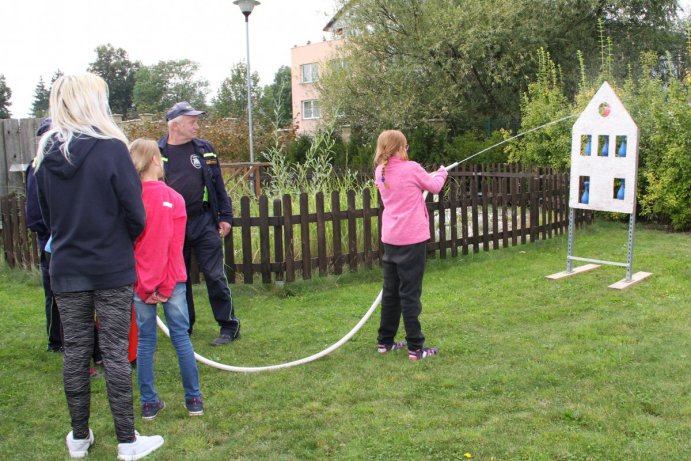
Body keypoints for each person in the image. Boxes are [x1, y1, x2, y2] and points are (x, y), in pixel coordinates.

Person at [34, 73, 164, 460]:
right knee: (113, 351)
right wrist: (117, 238)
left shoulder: (45, 153)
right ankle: (127, 441)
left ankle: (79, 437)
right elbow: (135, 212)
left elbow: (44, 216)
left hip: (68, 267)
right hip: (110, 267)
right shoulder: (110, 148)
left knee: (76, 351)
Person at [129, 139, 204, 420]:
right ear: (154, 162)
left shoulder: (129, 200)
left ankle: (149, 403)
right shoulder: (175, 199)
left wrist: (147, 286)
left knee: (146, 342)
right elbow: (175, 248)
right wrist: (166, 285)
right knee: (181, 339)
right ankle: (194, 400)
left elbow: (130, 248)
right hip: (172, 282)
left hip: (142, 285)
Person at [157, 101, 240, 346]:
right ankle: (184, 328)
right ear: (176, 124)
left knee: (215, 275)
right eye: (192, 121)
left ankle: (229, 326)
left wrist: (225, 217)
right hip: (172, 226)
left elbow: (218, 186)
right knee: (178, 279)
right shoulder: (157, 152)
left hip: (203, 221)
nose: (197, 125)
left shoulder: (205, 149)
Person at [373, 130, 448, 362]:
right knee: (410, 294)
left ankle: (385, 343)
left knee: (392, 293)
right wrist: (443, 172)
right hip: (411, 240)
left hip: (391, 239)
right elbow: (434, 187)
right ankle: (416, 348)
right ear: (400, 146)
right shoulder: (412, 167)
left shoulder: (380, 171)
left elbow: (418, 183)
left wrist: (431, 175)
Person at [26, 118, 62, 353]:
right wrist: (48, 231)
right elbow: (36, 208)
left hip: (64, 233)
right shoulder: (38, 165)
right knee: (53, 288)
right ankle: (56, 340)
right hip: (50, 236)